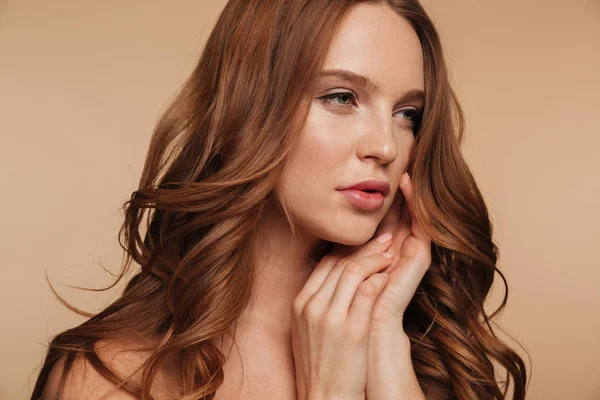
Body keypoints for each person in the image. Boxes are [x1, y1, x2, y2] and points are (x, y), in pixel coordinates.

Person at [31, 0, 529, 399]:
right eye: (341, 97)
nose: (386, 146)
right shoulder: (113, 376)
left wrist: (385, 339)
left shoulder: (430, 348)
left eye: (407, 114)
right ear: (250, 106)